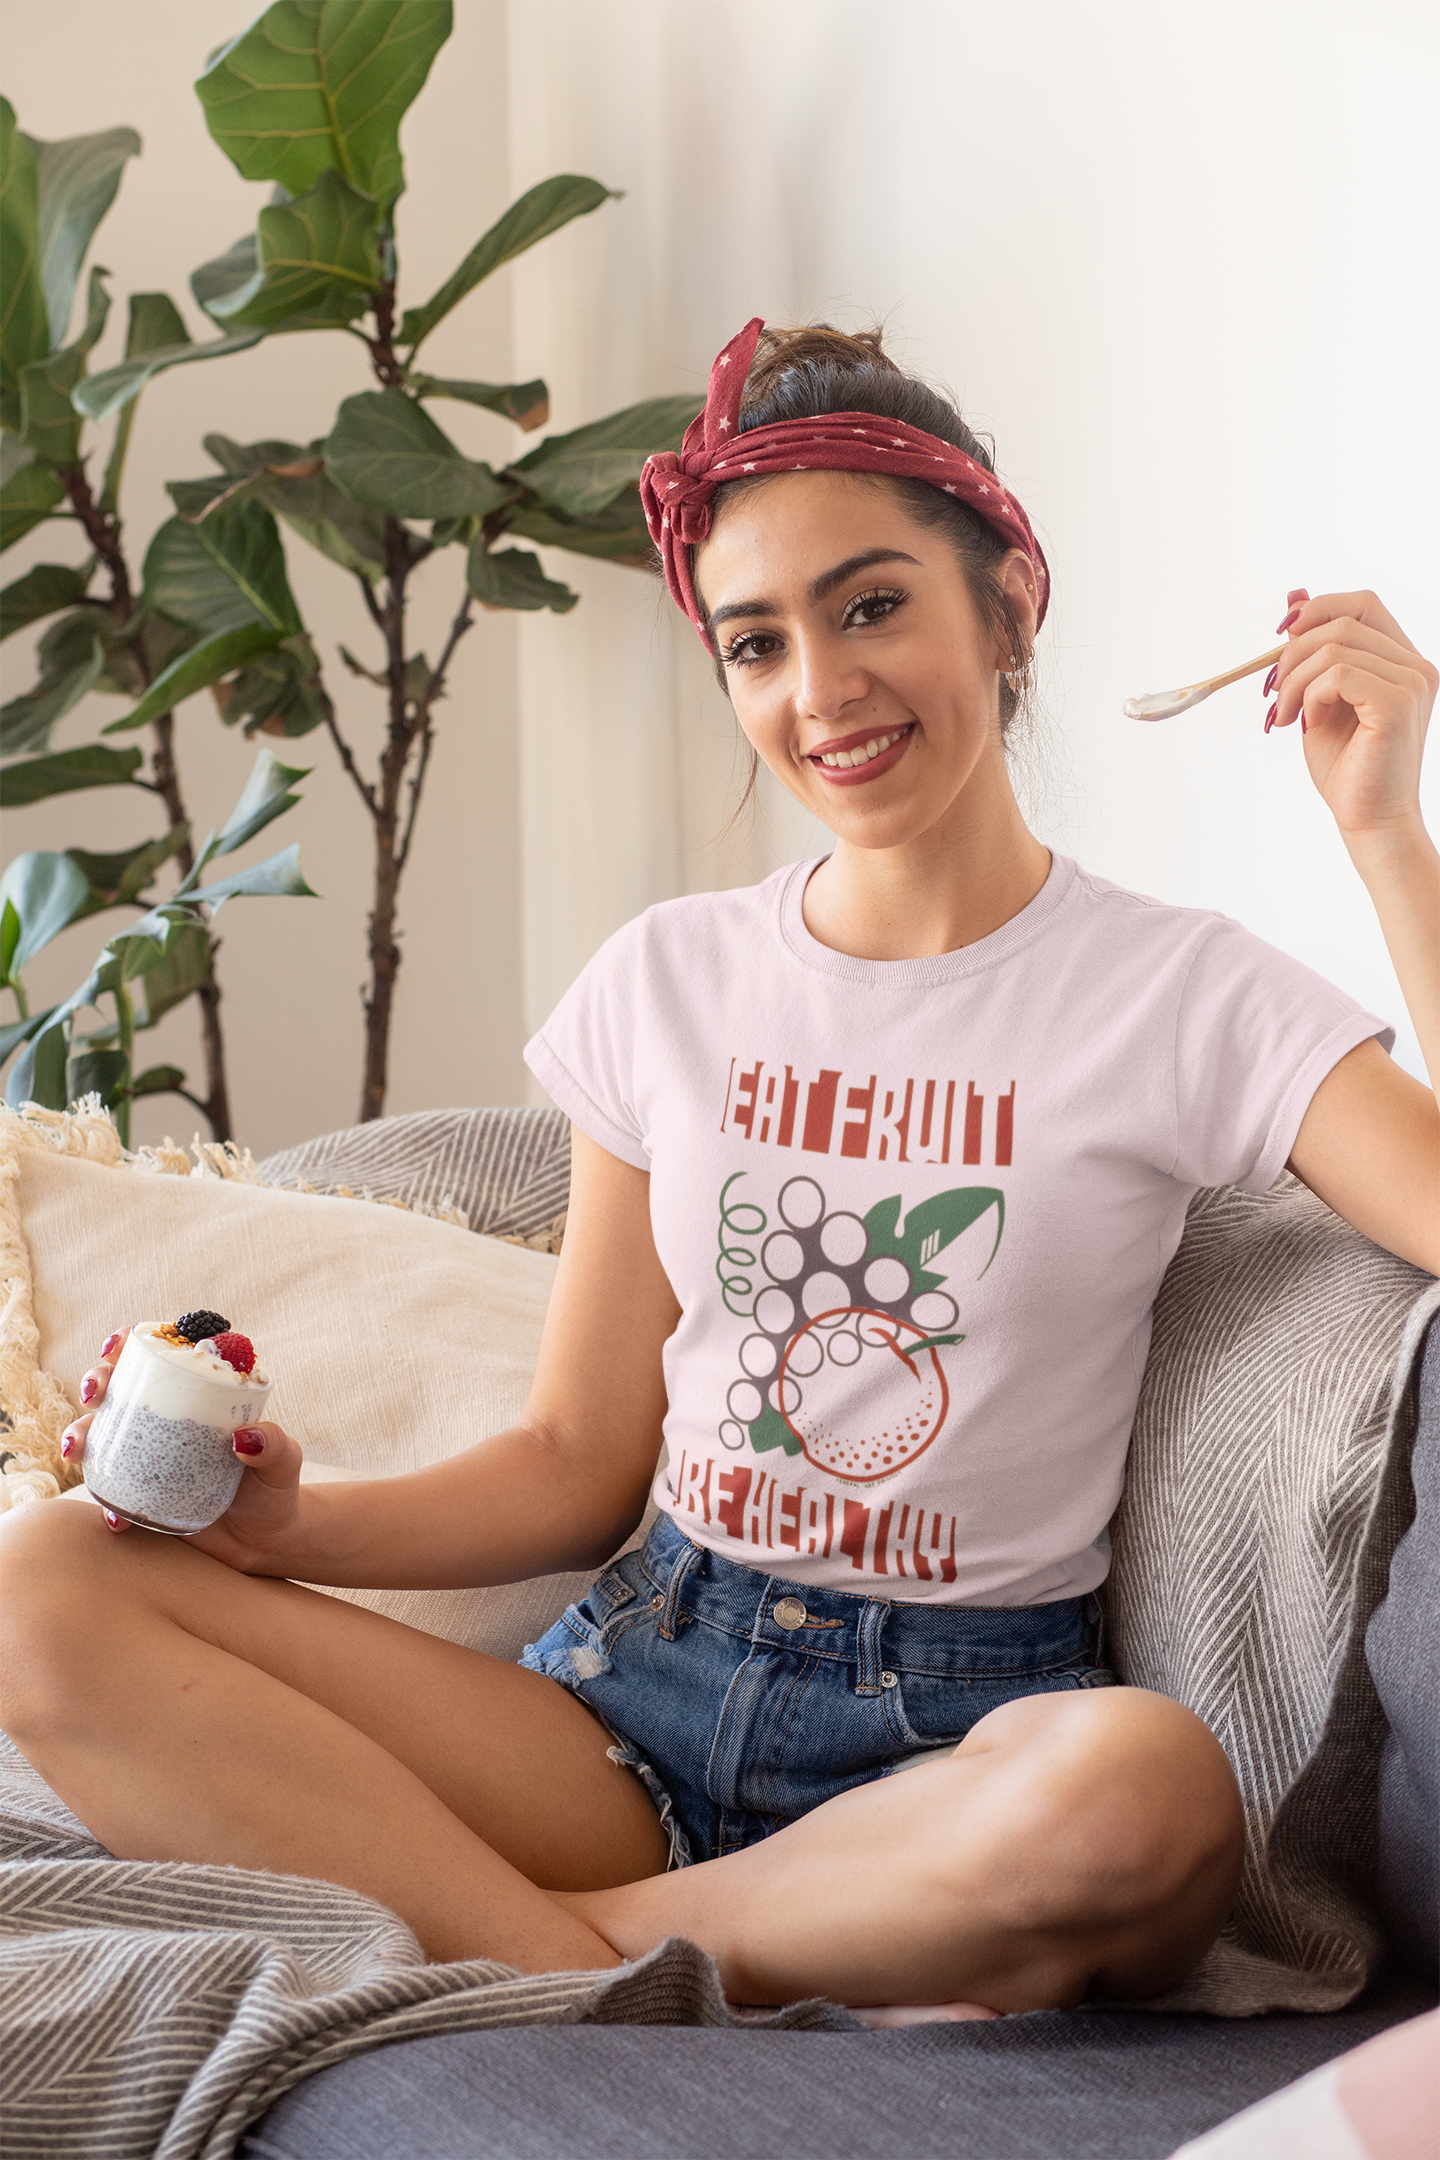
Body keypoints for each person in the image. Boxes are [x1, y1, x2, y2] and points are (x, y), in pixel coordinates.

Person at [2, 316, 1437, 2023]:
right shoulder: (668, 981)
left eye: (873, 603)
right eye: (755, 643)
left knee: (1152, 1790)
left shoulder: (1179, 989)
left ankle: (558, 1945)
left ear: (1013, 601)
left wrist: (1381, 825)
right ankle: (606, 1949)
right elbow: (570, 1458)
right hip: (636, 1691)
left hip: (950, 1752)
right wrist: (292, 1529)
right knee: (46, 1578)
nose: (820, 690)